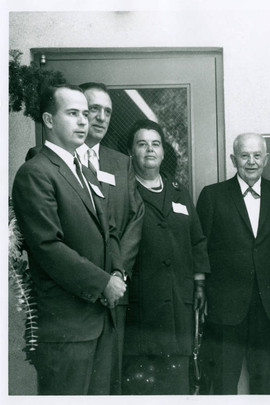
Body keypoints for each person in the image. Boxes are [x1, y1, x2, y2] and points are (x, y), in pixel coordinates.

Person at [12, 84, 127, 395]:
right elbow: (47, 246)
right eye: (73, 113)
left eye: (85, 115)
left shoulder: (86, 171)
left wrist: (116, 271)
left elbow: (110, 231)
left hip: (100, 321)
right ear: (49, 120)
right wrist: (103, 282)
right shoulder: (36, 173)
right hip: (67, 328)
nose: (83, 122)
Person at [196, 133, 270, 395]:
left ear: (266, 159)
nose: (251, 161)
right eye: (245, 156)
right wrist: (200, 289)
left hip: (269, 304)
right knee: (224, 377)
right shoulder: (212, 195)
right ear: (234, 160)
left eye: (257, 155)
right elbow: (199, 247)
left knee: (263, 375)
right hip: (225, 304)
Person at [122, 119, 210, 395]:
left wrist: (198, 283)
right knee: (142, 386)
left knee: (176, 386)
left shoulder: (178, 192)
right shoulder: (123, 193)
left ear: (163, 152)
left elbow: (197, 240)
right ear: (131, 151)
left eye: (155, 144)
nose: (149, 149)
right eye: (142, 144)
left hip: (179, 305)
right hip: (141, 307)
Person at [75, 82, 145, 394]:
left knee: (110, 384)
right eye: (94, 110)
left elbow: (135, 217)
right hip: (76, 293)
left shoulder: (122, 162)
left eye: (107, 112)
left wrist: (117, 272)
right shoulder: (54, 160)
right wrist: (97, 278)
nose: (101, 117)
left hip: (116, 294)